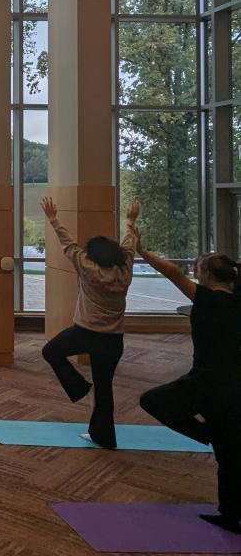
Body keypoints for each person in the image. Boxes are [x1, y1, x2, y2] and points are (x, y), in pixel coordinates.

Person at [132, 234, 241, 534]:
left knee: (152, 401)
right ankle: (230, 515)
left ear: (207, 274)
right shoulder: (237, 300)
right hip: (234, 384)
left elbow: (172, 272)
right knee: (230, 456)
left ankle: (205, 433)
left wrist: (143, 251)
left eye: (199, 268)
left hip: (204, 381)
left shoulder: (205, 299)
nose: (194, 272)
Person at [39, 196, 140, 449]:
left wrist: (53, 219)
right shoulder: (126, 269)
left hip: (84, 332)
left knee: (51, 351)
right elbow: (130, 243)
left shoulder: (87, 267)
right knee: (104, 389)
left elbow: (68, 244)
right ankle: (104, 437)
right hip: (113, 339)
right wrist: (131, 220)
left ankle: (80, 388)